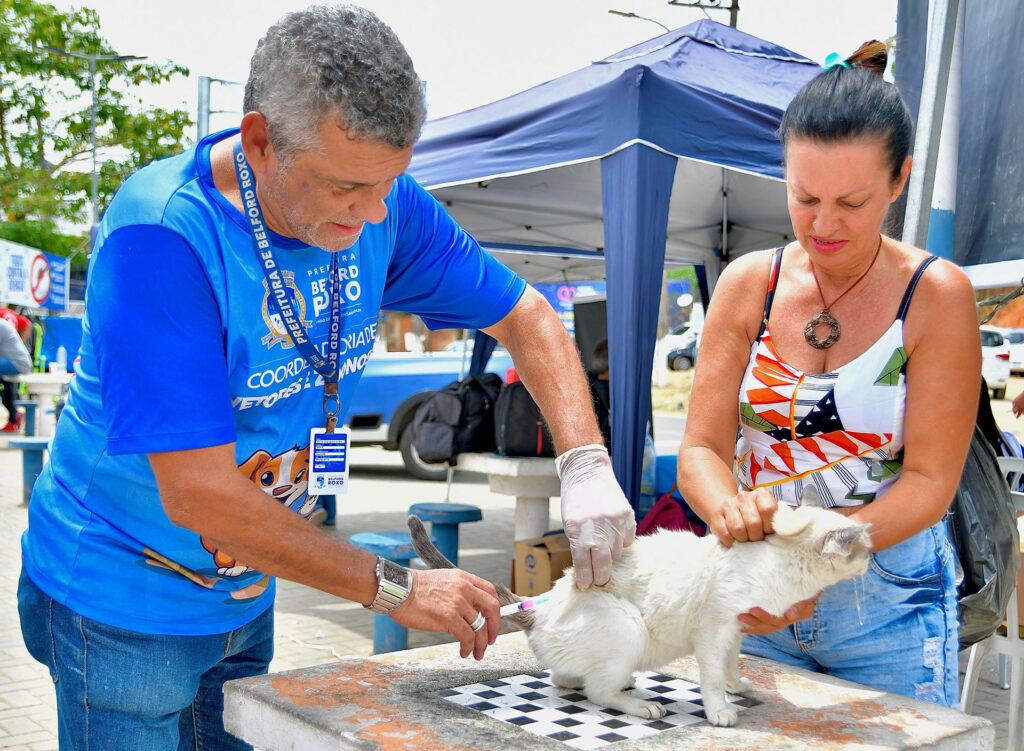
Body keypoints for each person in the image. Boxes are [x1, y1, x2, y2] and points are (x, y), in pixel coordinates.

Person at [17, 6, 635, 749]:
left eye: (390, 182)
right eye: (348, 186)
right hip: (120, 599)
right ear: (260, 143)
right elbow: (202, 494)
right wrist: (397, 586)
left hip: (246, 591)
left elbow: (528, 317)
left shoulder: (382, 203)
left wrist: (587, 464)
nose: (375, 213)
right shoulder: (164, 237)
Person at [678, 40, 980, 706]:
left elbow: (930, 480)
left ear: (899, 179)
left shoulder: (936, 297)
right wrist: (731, 512)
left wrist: (815, 559)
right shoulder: (746, 285)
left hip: (888, 606)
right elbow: (700, 448)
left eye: (852, 201)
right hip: (754, 591)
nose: (824, 223)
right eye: (804, 196)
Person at [0, 317, 32, 430]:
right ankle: (13, 417)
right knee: (5, 382)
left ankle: (13, 416)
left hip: (18, 363)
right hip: (13, 362)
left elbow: (29, 324)